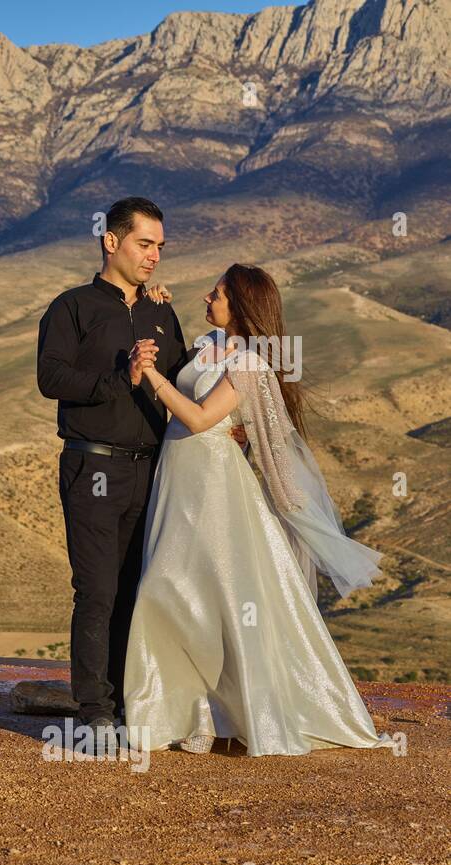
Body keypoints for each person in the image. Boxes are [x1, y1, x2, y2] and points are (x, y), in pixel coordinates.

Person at [125, 265, 389, 755]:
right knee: (179, 592)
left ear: (241, 305)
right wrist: (151, 302)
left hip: (215, 485)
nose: (207, 296)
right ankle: (195, 712)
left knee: (198, 593)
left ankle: (228, 712)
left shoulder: (251, 364)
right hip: (176, 477)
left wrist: (154, 378)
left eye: (218, 293)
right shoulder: (207, 345)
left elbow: (203, 418)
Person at [36, 197, 246, 738]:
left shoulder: (160, 311)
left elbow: (184, 379)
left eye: (159, 247)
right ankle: (95, 715)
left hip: (153, 472)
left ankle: (136, 705)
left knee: (142, 588)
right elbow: (52, 379)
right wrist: (120, 380)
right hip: (93, 468)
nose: (154, 256)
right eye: (144, 244)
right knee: (98, 591)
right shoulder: (72, 307)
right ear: (112, 242)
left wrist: (230, 416)